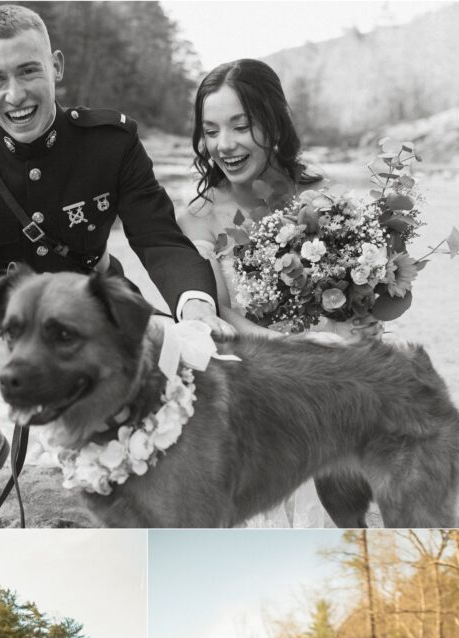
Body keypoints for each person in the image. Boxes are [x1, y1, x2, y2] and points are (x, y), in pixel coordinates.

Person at [0, 4, 230, 519]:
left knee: (187, 368)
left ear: (57, 67)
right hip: (5, 323)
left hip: (95, 317)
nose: (16, 95)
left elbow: (158, 239)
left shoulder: (111, 143)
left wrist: (195, 305)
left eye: (29, 70)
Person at [178, 60, 383, 527]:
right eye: (210, 131)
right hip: (251, 368)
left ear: (272, 121)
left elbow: (352, 295)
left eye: (240, 126)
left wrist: (362, 320)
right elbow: (214, 311)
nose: (223, 145)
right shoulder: (199, 216)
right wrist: (285, 348)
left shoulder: (325, 200)